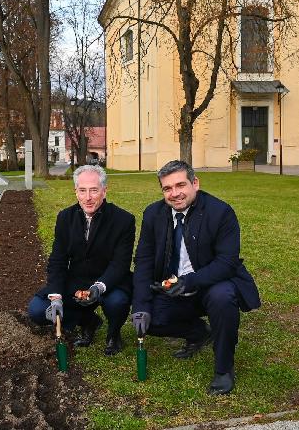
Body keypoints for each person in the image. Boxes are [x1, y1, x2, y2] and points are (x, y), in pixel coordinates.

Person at [131, 160, 261, 395]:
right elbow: (143, 261)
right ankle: (199, 332)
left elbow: (227, 263)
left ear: (195, 183)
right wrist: (140, 306)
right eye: (167, 188)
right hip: (172, 287)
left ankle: (223, 369)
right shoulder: (153, 214)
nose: (175, 194)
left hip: (211, 284)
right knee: (150, 319)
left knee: (223, 297)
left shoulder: (221, 212)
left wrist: (188, 282)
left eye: (180, 185)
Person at [27, 165, 135, 355]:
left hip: (110, 281)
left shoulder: (124, 220)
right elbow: (58, 260)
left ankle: (113, 334)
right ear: (75, 191)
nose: (88, 197)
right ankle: (88, 321)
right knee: (37, 310)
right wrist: (56, 297)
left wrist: (98, 288)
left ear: (104, 191)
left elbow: (120, 264)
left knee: (117, 301)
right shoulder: (65, 217)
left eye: (94, 190)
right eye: (82, 190)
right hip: (76, 280)